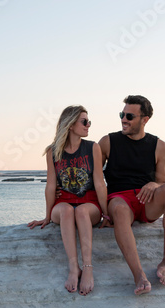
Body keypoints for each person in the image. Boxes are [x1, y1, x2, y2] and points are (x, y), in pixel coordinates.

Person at [99, 95, 165, 295]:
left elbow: (163, 181)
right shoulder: (107, 142)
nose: (123, 119)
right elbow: (94, 178)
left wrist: (154, 184)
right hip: (119, 199)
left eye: (129, 116)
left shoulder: (160, 146)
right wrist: (101, 211)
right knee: (119, 209)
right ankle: (139, 275)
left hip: (146, 201)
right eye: (122, 114)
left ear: (144, 120)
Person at [28, 105, 109, 296]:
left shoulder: (92, 147)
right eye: (84, 121)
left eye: (89, 121)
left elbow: (99, 183)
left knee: (80, 212)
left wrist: (106, 213)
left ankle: (87, 267)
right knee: (67, 211)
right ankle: (74, 268)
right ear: (71, 124)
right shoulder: (53, 151)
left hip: (89, 202)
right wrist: (47, 216)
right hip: (62, 202)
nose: (88, 125)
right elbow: (50, 185)